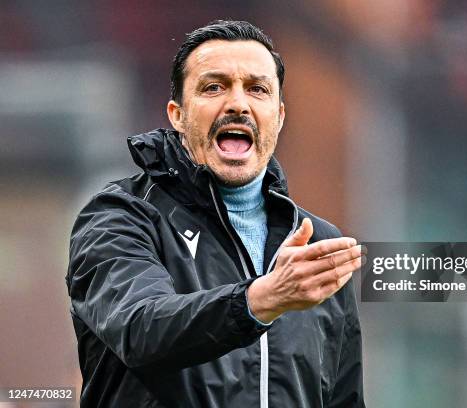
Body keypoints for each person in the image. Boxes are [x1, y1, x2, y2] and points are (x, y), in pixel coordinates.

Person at [66, 20, 365, 407]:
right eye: (214, 87)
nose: (238, 103)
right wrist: (261, 299)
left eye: (257, 89)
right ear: (177, 114)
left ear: (279, 115)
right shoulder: (120, 217)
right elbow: (140, 330)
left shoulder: (317, 249)